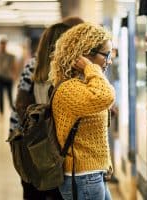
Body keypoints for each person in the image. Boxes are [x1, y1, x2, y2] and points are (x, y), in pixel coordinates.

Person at [10, 17, 84, 200]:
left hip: (34, 146)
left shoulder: (32, 67)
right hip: (59, 150)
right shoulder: (68, 73)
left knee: (35, 191)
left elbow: (19, 106)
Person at [49, 22, 115, 200]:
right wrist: (90, 68)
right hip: (82, 177)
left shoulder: (83, 85)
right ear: (86, 54)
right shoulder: (70, 89)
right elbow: (106, 95)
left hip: (91, 174)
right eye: (106, 54)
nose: (110, 60)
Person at [0, 37, 16, 115]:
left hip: (8, 78)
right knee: (0, 96)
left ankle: (12, 111)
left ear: (6, 45)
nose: (2, 46)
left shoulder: (10, 56)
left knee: (9, 95)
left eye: (4, 44)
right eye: (1, 44)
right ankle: (1, 112)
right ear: (0, 45)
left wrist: (14, 76)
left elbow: (14, 66)